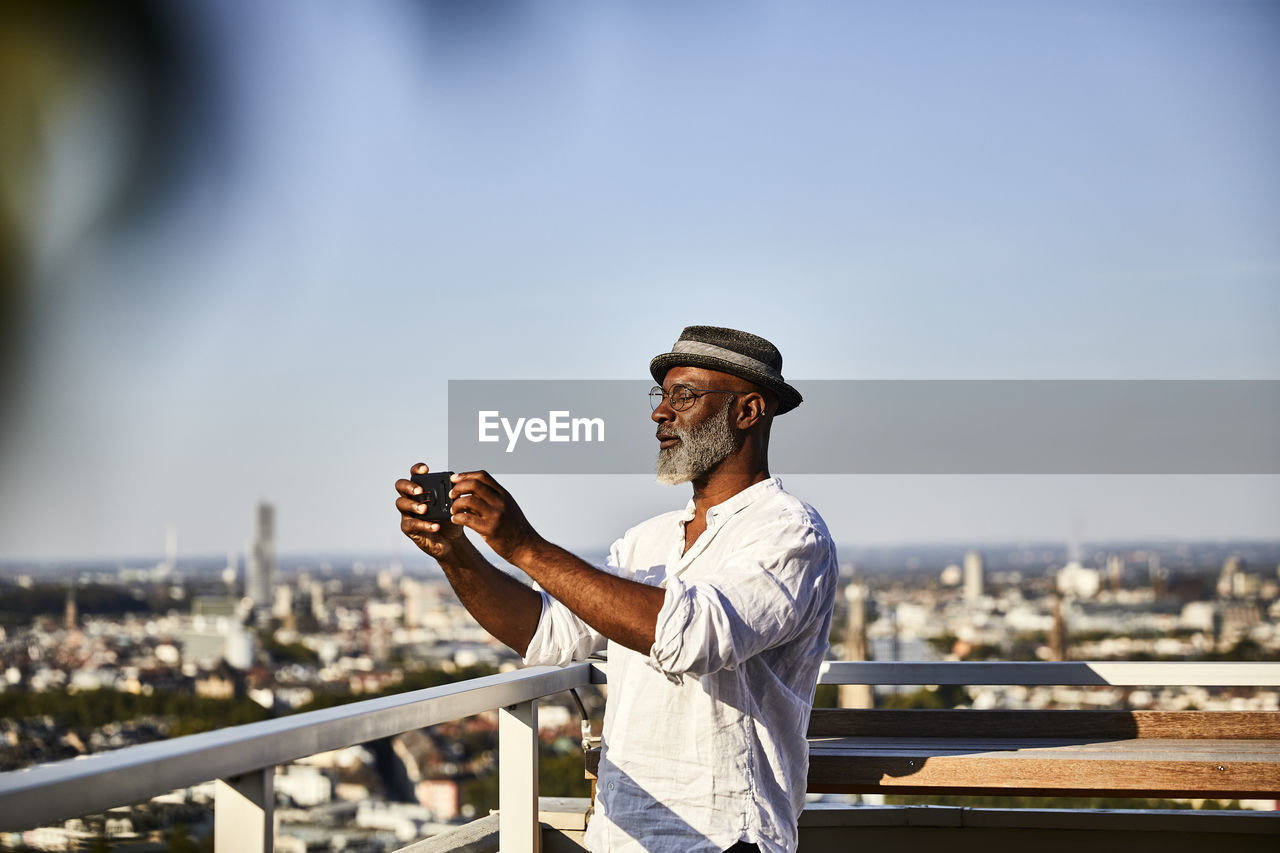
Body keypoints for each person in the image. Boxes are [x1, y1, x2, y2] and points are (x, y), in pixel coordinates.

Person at [395, 326, 838, 853]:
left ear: (748, 411)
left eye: (685, 395)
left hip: (724, 837)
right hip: (620, 831)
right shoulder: (644, 541)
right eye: (662, 395)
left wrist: (525, 547)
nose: (660, 413)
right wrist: (455, 553)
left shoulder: (789, 532)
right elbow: (547, 635)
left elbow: (692, 639)